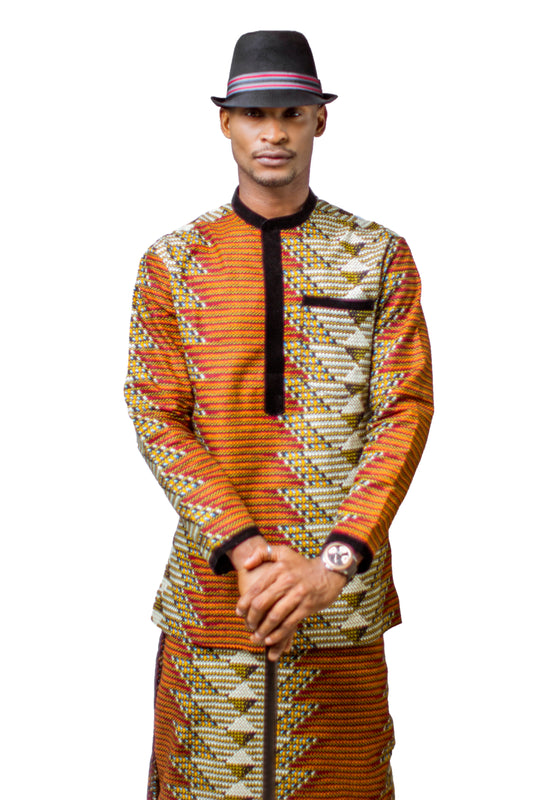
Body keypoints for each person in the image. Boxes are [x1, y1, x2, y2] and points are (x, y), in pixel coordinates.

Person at [125, 29, 433, 800]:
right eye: (255, 113)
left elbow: (402, 411)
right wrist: (247, 549)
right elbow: (156, 414)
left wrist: (332, 564)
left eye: (291, 114)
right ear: (224, 122)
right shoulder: (173, 263)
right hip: (214, 598)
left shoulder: (376, 256)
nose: (273, 132)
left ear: (319, 121)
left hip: (340, 603)